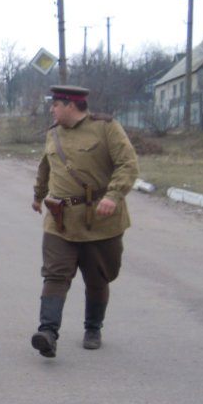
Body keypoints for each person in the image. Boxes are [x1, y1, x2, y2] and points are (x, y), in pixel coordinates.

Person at [30, 84, 139, 357]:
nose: (51, 109)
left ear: (70, 105)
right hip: (60, 220)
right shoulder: (53, 133)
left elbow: (127, 164)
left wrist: (113, 195)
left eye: (55, 104)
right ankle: (47, 332)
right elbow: (45, 167)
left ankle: (93, 328)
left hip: (100, 220)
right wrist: (38, 196)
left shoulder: (106, 128)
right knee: (55, 274)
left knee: (98, 278)